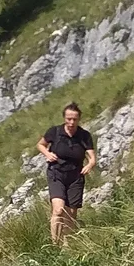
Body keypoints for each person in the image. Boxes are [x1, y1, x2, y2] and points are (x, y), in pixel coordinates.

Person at [36, 102, 97, 244]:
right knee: (58, 210)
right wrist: (47, 154)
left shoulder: (84, 136)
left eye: (74, 119)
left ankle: (67, 245)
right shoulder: (55, 132)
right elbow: (40, 144)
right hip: (56, 173)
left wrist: (90, 164)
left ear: (79, 119)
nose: (71, 122)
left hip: (75, 176)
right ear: (64, 118)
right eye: (69, 119)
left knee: (71, 215)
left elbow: (91, 156)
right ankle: (54, 245)